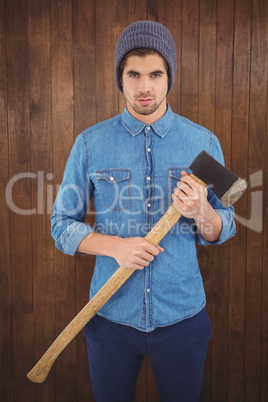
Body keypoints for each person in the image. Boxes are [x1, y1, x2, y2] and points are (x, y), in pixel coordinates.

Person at [51, 20, 236, 402]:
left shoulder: (203, 142)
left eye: (155, 73)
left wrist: (203, 212)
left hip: (183, 317)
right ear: (121, 78)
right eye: (133, 74)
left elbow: (225, 225)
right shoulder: (90, 144)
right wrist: (114, 247)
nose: (145, 86)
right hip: (111, 318)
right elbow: (61, 225)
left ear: (170, 76)